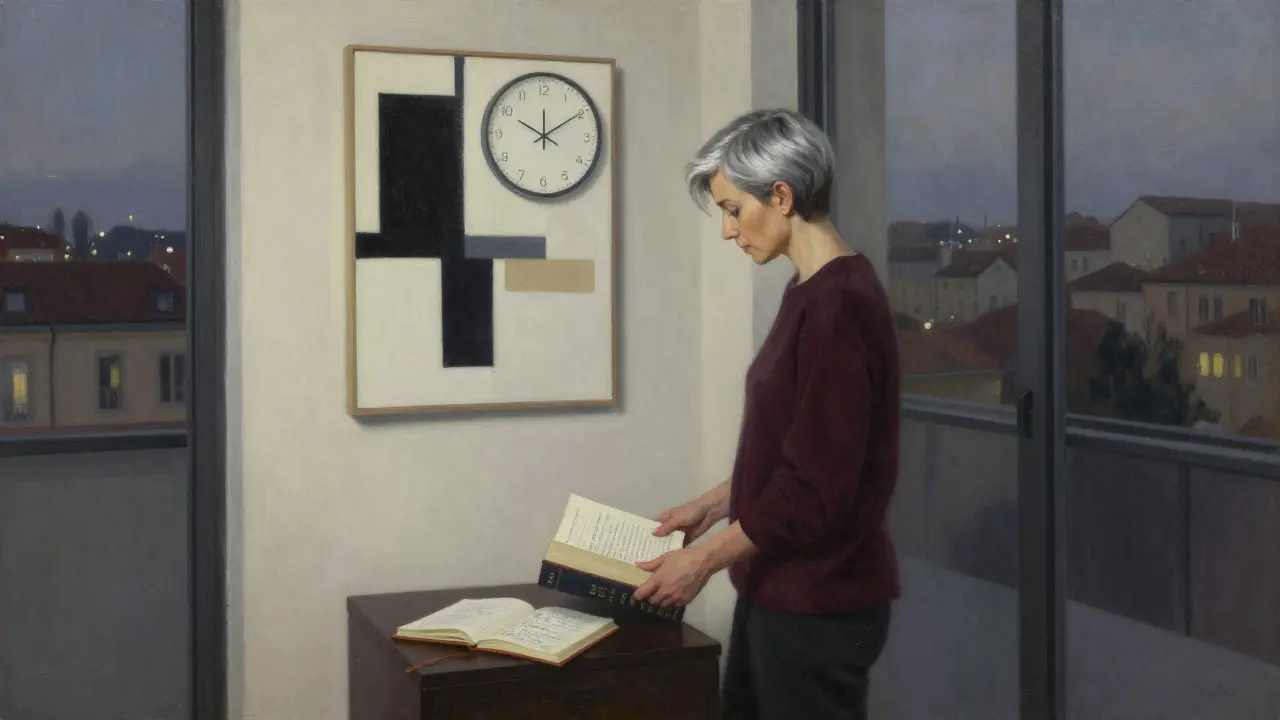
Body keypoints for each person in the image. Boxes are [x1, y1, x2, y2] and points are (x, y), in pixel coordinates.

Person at [631, 108, 901, 719]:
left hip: (821, 603)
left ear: (781, 195)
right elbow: (796, 451)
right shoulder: (809, 291)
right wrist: (711, 504)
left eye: (732, 209)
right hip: (779, 587)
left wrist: (698, 562)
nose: (729, 231)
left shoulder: (840, 307)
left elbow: (812, 490)